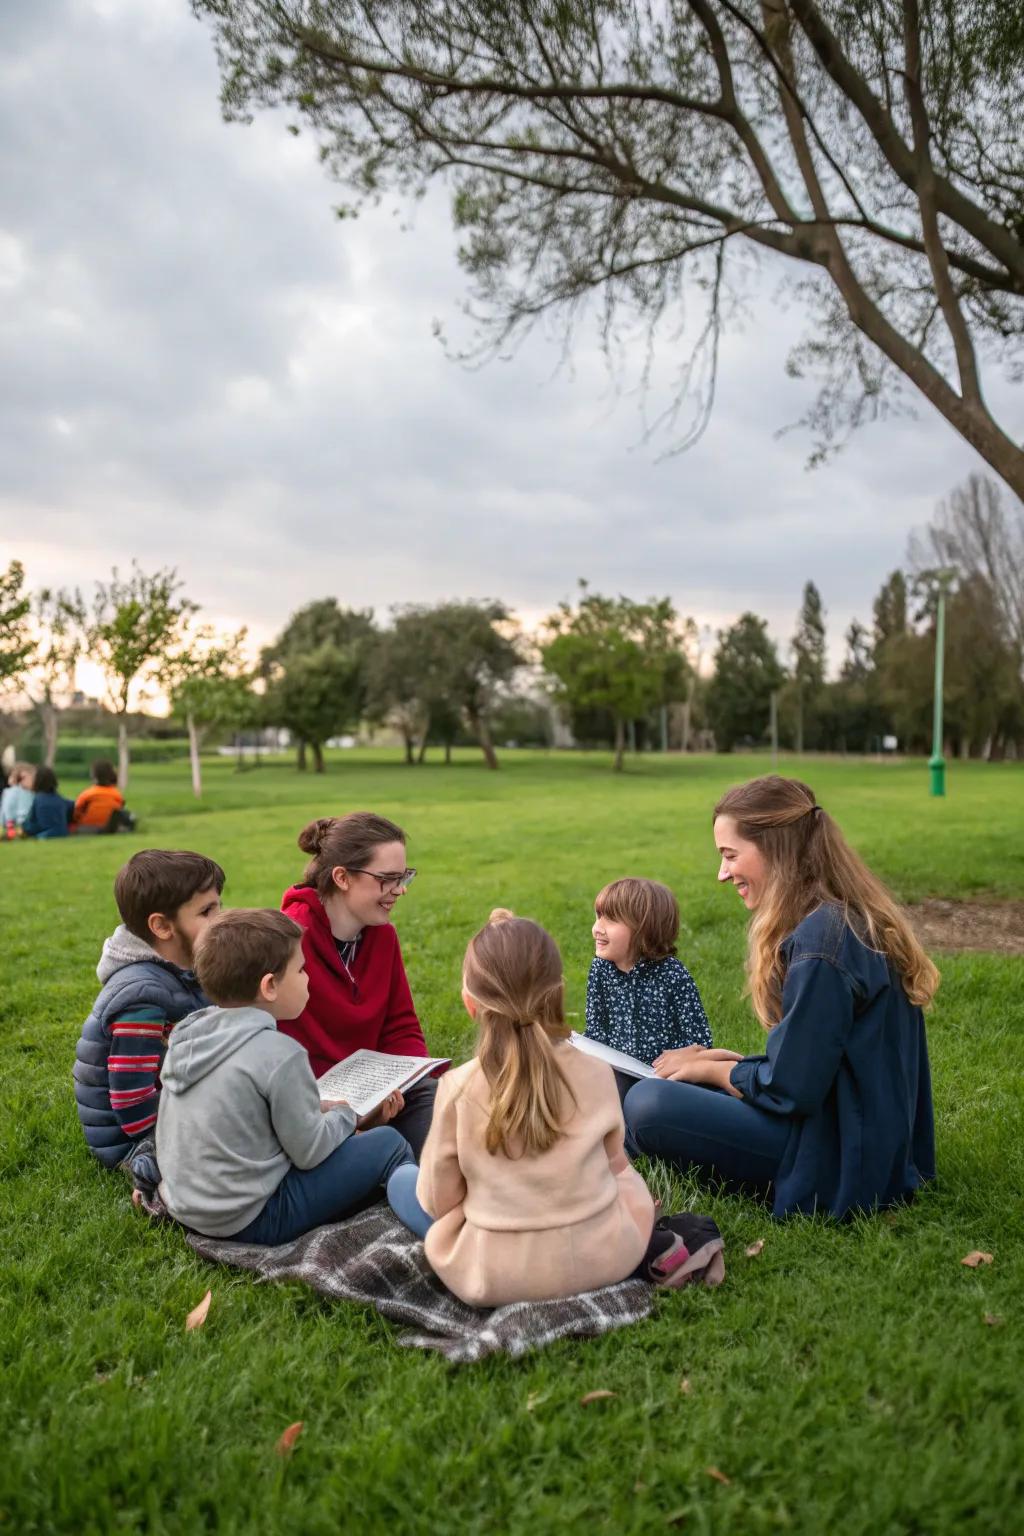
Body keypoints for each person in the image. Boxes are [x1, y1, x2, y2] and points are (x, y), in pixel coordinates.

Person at [624, 776, 938, 1220]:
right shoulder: (839, 921)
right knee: (668, 1086)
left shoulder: (821, 945)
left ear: (775, 849)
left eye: (730, 855)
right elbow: (818, 1067)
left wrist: (715, 1072)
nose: (722, 873)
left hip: (840, 1163)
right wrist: (725, 1066)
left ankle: (605, 1156)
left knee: (648, 1104)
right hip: (858, 1137)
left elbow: (791, 1091)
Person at [387, 910, 723, 1305]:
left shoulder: (457, 1088)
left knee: (401, 1180)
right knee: (625, 1179)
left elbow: (438, 1200)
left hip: (494, 1276)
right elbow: (616, 1166)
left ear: (471, 1005)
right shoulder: (597, 1072)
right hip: (604, 1259)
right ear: (558, 992)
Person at [156, 909, 415, 1243]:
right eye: (301, 969)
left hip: (187, 1207)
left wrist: (321, 1108)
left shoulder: (191, 1037)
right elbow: (310, 1152)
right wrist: (348, 1115)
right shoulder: (280, 1054)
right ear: (270, 985)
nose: (308, 978)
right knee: (388, 1145)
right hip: (252, 1219)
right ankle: (429, 1228)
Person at [280, 812, 439, 1157]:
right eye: (387, 879)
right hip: (311, 1106)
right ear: (342, 877)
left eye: (404, 877)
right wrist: (344, 1110)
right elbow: (267, 1047)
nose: (400, 890)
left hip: (378, 1093)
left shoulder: (383, 936)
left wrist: (402, 1081)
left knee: (442, 1104)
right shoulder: (287, 940)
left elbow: (401, 1027)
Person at [73, 849, 225, 1169]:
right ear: (161, 926)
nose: (221, 919)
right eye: (207, 911)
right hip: (137, 1141)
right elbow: (132, 1102)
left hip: (179, 1109)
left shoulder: (185, 969)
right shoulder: (141, 997)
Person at [586, 877, 712, 1095]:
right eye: (598, 917)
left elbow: (700, 1042)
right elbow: (596, 1031)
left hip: (662, 1078)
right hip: (616, 1070)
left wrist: (680, 1060)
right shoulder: (601, 969)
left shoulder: (672, 974)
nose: (598, 928)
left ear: (644, 929)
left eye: (611, 920)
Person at [71, 759, 130, 834]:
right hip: (109, 827)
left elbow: (76, 812)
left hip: (87, 827)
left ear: (93, 775)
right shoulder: (117, 794)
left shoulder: (87, 793)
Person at [23, 765, 74, 839]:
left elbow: (32, 825)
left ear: (38, 780)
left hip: (46, 835)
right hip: (63, 832)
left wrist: (23, 827)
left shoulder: (38, 799)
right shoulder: (59, 798)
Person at [0, 762, 35, 835]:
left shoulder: (8, 792)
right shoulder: (23, 792)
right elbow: (23, 812)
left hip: (7, 823)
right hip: (16, 824)